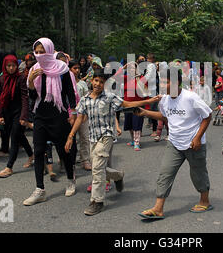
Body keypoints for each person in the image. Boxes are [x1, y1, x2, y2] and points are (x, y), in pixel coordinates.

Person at [66, 69, 159, 216]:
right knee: (98, 167)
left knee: (96, 168)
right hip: (93, 137)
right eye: (96, 81)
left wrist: (149, 101)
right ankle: (118, 176)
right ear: (92, 81)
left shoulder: (109, 97)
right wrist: (70, 136)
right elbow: (79, 118)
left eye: (101, 82)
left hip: (106, 136)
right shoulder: (85, 99)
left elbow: (127, 104)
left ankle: (97, 201)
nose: (98, 84)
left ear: (104, 84)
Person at [136, 68, 213, 219]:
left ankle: (205, 201)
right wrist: (145, 113)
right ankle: (158, 208)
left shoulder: (190, 97)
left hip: (193, 143)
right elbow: (165, 117)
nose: (164, 85)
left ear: (177, 82)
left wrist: (197, 138)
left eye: (167, 81)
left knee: (198, 173)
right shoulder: (164, 100)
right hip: (174, 142)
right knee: (165, 173)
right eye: (162, 81)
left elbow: (207, 116)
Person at [23, 38, 78, 206]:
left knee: (64, 151)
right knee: (39, 151)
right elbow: (33, 98)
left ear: (50, 50)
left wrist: (73, 112)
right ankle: (40, 189)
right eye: (36, 52)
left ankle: (70, 179)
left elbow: (69, 93)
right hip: (40, 115)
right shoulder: (34, 69)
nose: (39, 55)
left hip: (59, 115)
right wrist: (31, 81)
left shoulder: (62, 70)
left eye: (42, 51)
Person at [0, 55, 34, 178]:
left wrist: (24, 116)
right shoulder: (2, 79)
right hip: (8, 111)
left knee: (14, 137)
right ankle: (31, 155)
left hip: (19, 111)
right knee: (19, 135)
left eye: (13, 65)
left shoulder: (21, 78)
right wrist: (1, 115)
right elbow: (1, 98)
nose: (11, 68)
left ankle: (9, 167)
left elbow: (24, 97)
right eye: (9, 66)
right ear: (5, 66)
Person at [68, 60, 91, 171]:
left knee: (85, 138)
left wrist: (86, 113)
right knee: (70, 137)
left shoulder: (82, 84)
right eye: (74, 68)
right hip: (69, 115)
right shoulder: (65, 84)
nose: (76, 71)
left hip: (82, 115)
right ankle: (67, 160)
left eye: (78, 68)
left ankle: (85, 160)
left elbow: (87, 98)